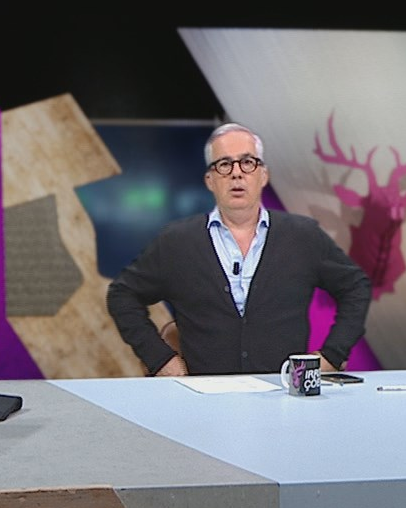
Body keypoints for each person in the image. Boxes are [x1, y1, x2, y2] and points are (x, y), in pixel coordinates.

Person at [106, 122, 372, 376]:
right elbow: (122, 294)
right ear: (210, 180)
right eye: (224, 164)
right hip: (203, 398)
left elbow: (356, 286)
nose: (236, 173)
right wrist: (160, 359)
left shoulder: (302, 236)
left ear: (263, 175)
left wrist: (332, 355)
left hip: (283, 396)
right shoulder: (177, 242)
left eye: (247, 162)